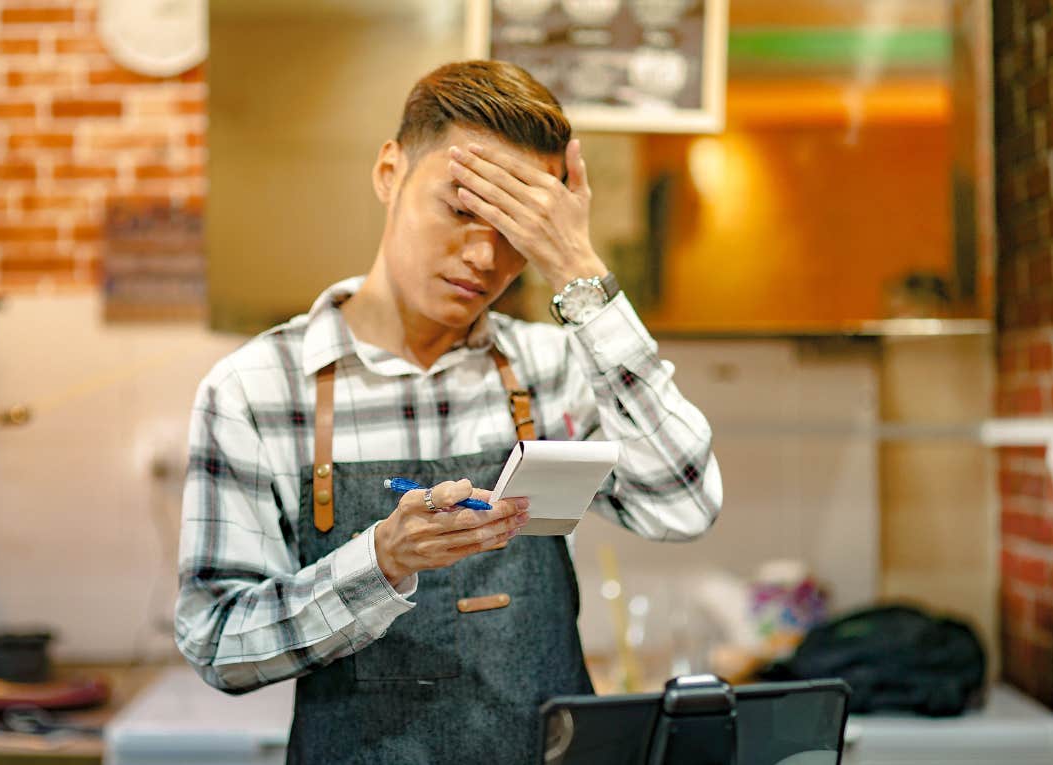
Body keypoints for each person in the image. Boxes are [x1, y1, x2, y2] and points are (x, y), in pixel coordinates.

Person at [175, 60, 723, 764]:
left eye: (516, 229)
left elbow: (683, 505)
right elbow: (216, 641)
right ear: (388, 172)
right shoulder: (257, 390)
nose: (482, 256)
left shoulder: (552, 369)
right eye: (462, 208)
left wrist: (579, 270)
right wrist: (378, 562)